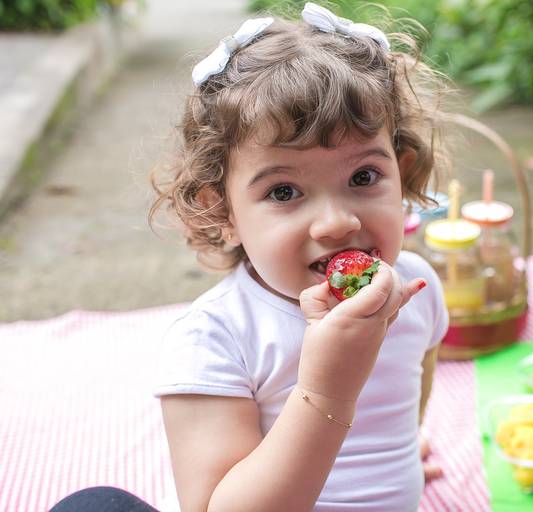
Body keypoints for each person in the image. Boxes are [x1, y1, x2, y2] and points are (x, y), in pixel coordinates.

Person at [146, 3, 453, 511]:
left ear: (402, 172)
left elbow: (414, 379)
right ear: (221, 209)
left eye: (363, 177)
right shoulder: (215, 340)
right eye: (285, 191)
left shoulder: (415, 285)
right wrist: (328, 391)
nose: (337, 223)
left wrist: (400, 450)